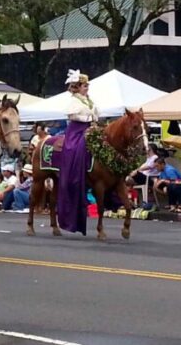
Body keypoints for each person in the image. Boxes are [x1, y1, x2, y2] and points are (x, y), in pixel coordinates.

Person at [59, 69, 98, 235]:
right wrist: (88, 119)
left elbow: (96, 113)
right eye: (84, 85)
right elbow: (72, 116)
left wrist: (94, 120)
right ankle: (75, 173)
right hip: (76, 131)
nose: (87, 88)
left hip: (90, 128)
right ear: (77, 87)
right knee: (78, 147)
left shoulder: (88, 100)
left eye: (87, 85)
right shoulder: (74, 101)